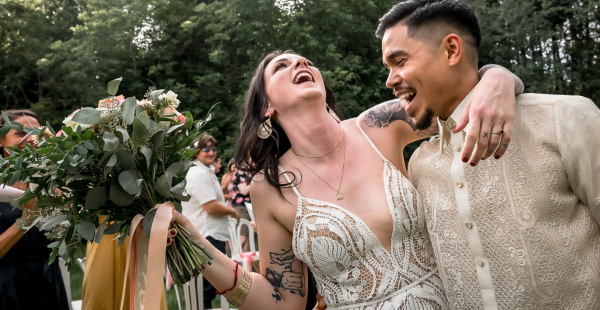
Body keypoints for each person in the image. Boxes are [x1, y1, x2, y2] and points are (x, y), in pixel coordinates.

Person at [377, 0, 600, 309]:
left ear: (451, 50)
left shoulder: (563, 118)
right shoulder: (420, 165)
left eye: (400, 61)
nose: (391, 80)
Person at [168, 48, 523, 309]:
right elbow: (283, 302)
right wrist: (194, 243)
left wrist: (499, 78)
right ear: (266, 108)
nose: (301, 63)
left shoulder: (379, 126)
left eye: (305, 60)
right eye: (282, 66)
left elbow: (459, 95)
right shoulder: (269, 187)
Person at [0, 110, 70, 310]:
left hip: (50, 281)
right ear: (1, 141)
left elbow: (61, 243)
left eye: (37, 132)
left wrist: (67, 215)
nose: (31, 138)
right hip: (9, 287)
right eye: (21, 133)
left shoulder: (51, 180)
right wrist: (26, 220)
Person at [181, 133, 240, 309]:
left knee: (208, 287)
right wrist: (233, 212)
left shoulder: (205, 170)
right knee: (206, 288)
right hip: (207, 236)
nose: (211, 152)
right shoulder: (198, 173)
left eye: (213, 148)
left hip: (209, 235)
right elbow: (211, 207)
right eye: (206, 149)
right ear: (195, 152)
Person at [222, 160, 253, 252]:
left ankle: (246, 265)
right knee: (241, 239)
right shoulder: (239, 173)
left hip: (251, 207)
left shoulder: (251, 172)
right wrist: (257, 182)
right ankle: (232, 263)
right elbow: (243, 191)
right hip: (241, 207)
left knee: (248, 241)